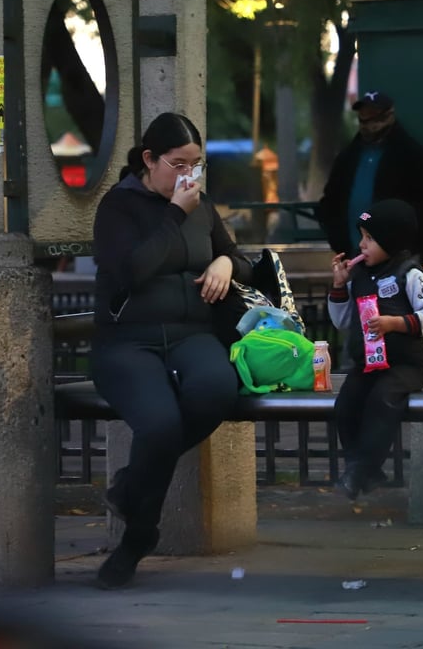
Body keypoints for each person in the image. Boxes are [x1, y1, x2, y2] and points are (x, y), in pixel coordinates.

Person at [91, 112, 254, 589]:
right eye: (178, 164)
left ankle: (130, 487)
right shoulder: (117, 208)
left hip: (191, 333)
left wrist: (225, 261)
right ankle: (138, 537)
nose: (189, 176)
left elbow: (243, 259)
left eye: (196, 165)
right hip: (128, 340)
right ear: (149, 160)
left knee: (216, 391)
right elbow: (132, 270)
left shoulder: (201, 206)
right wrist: (175, 214)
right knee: (159, 424)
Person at [327, 199, 423, 499]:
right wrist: (340, 287)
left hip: (405, 366)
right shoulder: (360, 277)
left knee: (382, 401)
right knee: (346, 405)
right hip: (367, 365)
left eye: (369, 238)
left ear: (391, 241)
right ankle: (364, 469)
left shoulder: (411, 274)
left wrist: (396, 323)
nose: (361, 245)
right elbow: (342, 321)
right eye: (361, 237)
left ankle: (359, 471)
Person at [317, 90, 423, 258]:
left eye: (375, 117)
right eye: (364, 118)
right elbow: (330, 200)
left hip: (395, 257)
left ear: (389, 116)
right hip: (353, 253)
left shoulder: (410, 154)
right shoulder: (348, 157)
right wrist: (338, 241)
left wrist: (407, 245)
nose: (370, 125)